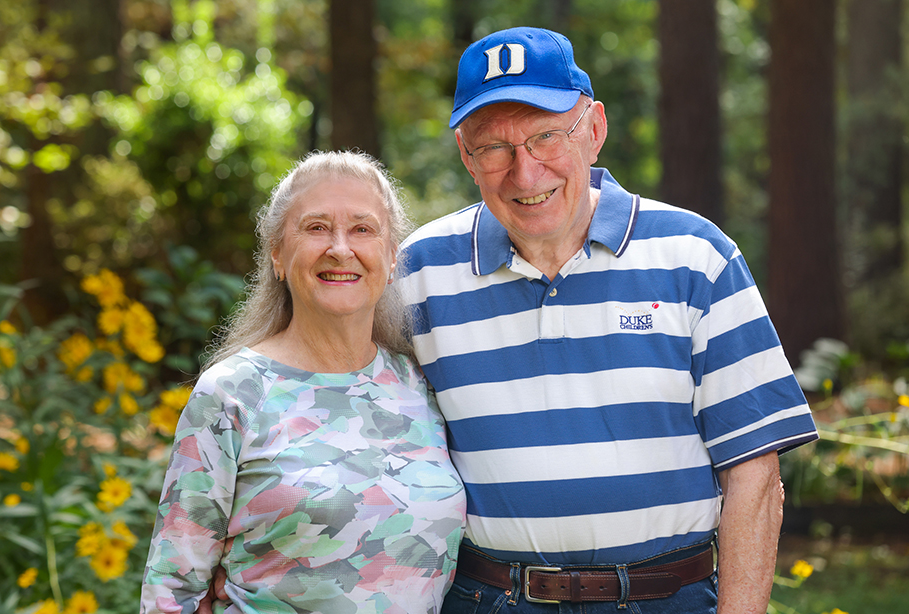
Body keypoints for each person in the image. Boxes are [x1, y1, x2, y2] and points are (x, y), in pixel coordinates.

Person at [396, 27, 819, 614]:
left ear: (594, 130)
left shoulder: (696, 257)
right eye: (494, 147)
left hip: (667, 599)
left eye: (546, 136)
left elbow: (755, 473)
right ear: (467, 158)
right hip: (490, 599)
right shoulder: (416, 273)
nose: (525, 172)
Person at [140, 151, 467, 614]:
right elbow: (170, 593)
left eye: (362, 229)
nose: (340, 248)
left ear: (392, 256)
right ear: (277, 253)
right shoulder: (231, 394)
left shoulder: (422, 384)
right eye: (315, 227)